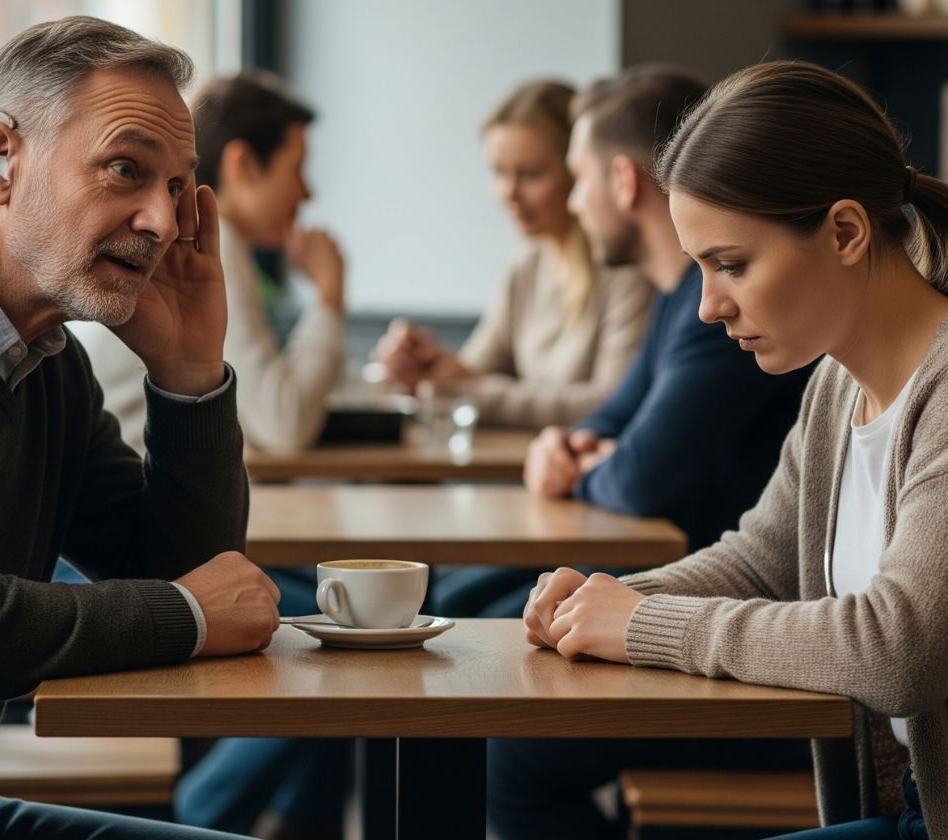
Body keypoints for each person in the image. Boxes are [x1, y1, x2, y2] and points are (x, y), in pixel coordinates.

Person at [508, 59, 948, 839]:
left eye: (731, 265)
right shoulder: (836, 389)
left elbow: (895, 649)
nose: (709, 305)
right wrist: (605, 601)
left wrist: (639, 626)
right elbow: (759, 561)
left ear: (845, 232)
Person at [0, 16, 281, 840]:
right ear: (0, 160)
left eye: (174, 188)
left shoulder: (45, 358)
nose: (163, 222)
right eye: (125, 169)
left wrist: (191, 376)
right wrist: (187, 616)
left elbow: (185, 567)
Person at [434, 64, 812, 619]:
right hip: (676, 557)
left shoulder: (715, 312)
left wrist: (586, 466)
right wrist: (570, 445)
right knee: (458, 599)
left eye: (578, 179)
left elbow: (641, 480)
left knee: (479, 618)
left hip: (711, 572)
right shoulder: (677, 295)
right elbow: (610, 420)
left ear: (621, 181)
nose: (574, 203)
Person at [75, 70, 345, 455]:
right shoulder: (204, 251)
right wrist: (330, 295)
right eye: (297, 168)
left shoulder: (216, 245)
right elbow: (283, 425)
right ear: (243, 165)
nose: (307, 192)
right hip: (133, 492)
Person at [373, 78, 653, 428]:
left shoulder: (625, 271)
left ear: (577, 171)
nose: (507, 193)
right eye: (498, 172)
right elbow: (475, 371)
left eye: (530, 174)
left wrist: (467, 390)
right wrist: (427, 366)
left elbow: (611, 403)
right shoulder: (527, 264)